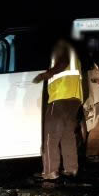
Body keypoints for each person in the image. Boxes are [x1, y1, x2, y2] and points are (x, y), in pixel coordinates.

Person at [33, 39, 83, 180]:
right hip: (74, 99)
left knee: (51, 136)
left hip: (60, 97)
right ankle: (71, 169)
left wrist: (45, 75)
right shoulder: (74, 53)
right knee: (67, 135)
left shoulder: (61, 47)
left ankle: (50, 171)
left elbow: (62, 62)